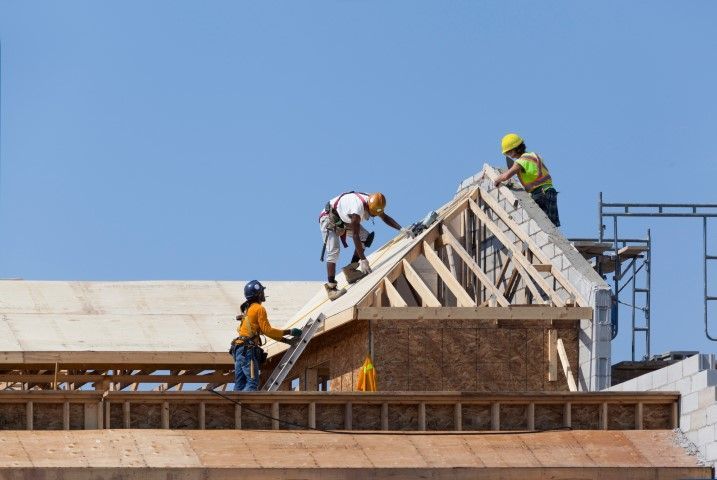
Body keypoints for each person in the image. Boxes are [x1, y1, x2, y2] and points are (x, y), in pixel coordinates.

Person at [319, 191, 403, 300]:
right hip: (329, 218)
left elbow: (385, 217)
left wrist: (401, 229)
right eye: (371, 213)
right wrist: (363, 260)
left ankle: (351, 271)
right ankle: (331, 288)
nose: (372, 216)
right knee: (334, 251)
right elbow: (355, 235)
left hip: (344, 219)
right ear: (368, 207)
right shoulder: (357, 210)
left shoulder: (374, 202)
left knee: (366, 237)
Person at [230, 280, 302, 391]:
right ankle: (245, 407)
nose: (263, 294)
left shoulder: (248, 309)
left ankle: (235, 408)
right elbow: (268, 330)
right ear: (258, 294)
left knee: (239, 384)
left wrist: (285, 341)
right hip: (248, 350)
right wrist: (290, 332)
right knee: (252, 383)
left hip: (238, 349)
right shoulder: (259, 309)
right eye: (262, 292)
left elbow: (263, 331)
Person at [493, 133, 561, 227]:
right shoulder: (534, 155)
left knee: (539, 225)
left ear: (515, 149)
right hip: (549, 191)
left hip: (540, 193)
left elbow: (506, 176)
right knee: (551, 225)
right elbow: (534, 173)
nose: (508, 155)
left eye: (508, 152)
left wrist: (496, 180)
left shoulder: (521, 161)